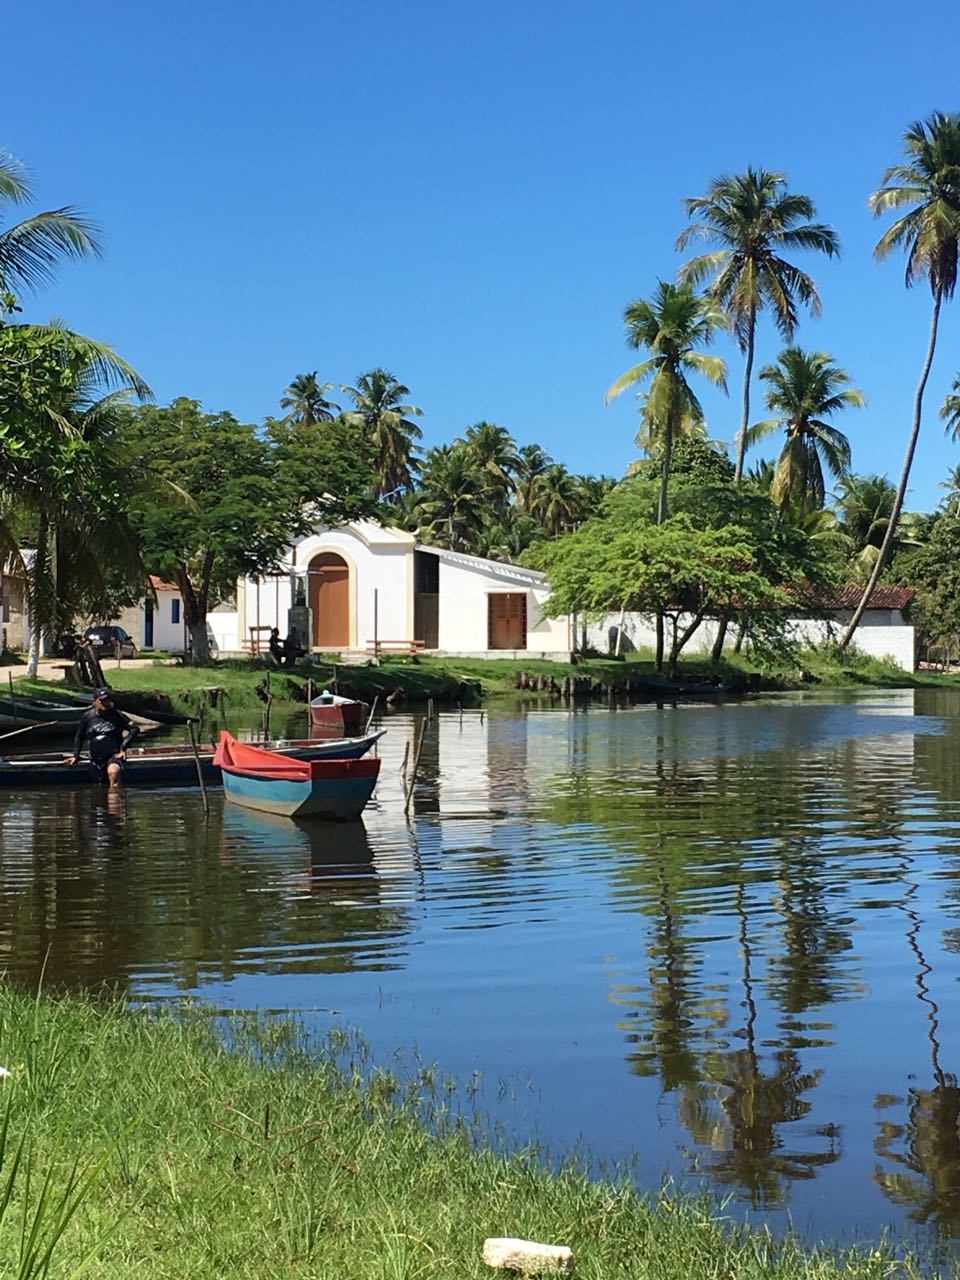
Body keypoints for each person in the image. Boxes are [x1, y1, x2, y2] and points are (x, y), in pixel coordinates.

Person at [65, 687, 140, 788]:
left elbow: (134, 729)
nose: (105, 703)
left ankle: (115, 800)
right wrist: (76, 755)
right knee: (99, 786)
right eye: (102, 700)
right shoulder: (87, 717)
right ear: (94, 702)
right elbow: (80, 736)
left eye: (107, 700)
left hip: (113, 756)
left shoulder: (117, 715)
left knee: (113, 772)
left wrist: (123, 748)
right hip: (96, 758)